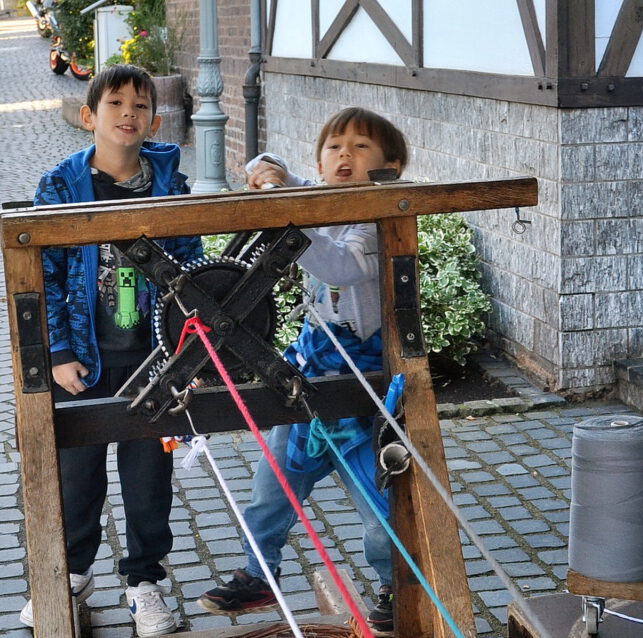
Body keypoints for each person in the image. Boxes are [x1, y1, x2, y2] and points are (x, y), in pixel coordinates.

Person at [197, 107, 409, 636]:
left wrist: (289, 211)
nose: (345, 156)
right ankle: (258, 575)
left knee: (380, 508)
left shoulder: (376, 221)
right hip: (309, 377)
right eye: (335, 146)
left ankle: (392, 585)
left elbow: (341, 266)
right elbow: (268, 162)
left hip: (362, 391)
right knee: (270, 493)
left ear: (391, 167)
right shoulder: (318, 198)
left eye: (361, 148)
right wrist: (272, 174)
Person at [23, 64, 203, 636]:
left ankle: (144, 582)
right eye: (116, 103)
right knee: (77, 481)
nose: (129, 113)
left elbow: (189, 265)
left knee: (149, 480)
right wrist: (55, 353)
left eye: (141, 105)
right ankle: (73, 574)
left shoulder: (169, 182)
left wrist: (186, 354)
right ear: (89, 116)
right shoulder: (58, 185)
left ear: (153, 119)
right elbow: (43, 275)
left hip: (150, 359)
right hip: (82, 361)